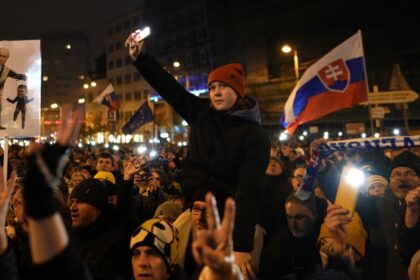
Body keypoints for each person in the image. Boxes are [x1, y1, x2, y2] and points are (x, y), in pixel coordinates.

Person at [126, 29, 271, 279]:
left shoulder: (253, 134)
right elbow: (169, 87)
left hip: (231, 218)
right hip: (194, 208)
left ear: (238, 92)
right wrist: (141, 58)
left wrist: (242, 246)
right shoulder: (201, 112)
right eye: (213, 86)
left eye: (224, 86)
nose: (216, 92)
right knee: (178, 260)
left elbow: (250, 190)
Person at [259, 193, 323, 279]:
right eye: (289, 217)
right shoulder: (278, 241)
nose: (293, 224)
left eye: (299, 217)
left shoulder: (323, 240)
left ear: (314, 216)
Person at [0, 47, 27, 130]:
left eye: (4, 56)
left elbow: (16, 75)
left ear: (7, 58)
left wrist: (23, 77)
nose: (1, 58)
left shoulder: (7, 70)